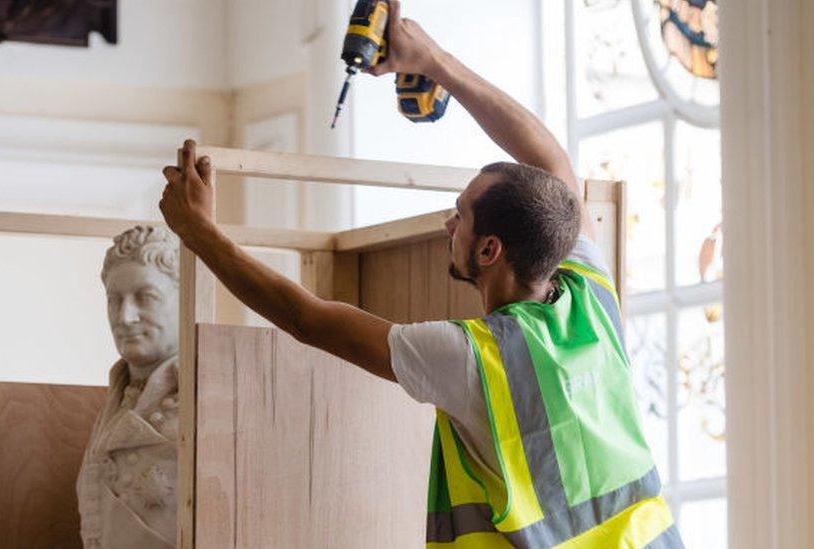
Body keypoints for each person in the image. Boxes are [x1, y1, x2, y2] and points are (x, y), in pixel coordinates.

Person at [159, 1, 683, 546]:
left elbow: (306, 318)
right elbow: (550, 162)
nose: (447, 223)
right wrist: (433, 61)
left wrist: (200, 233)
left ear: (489, 251)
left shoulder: (471, 358)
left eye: (461, 216)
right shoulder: (588, 294)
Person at [76, 226, 181, 548]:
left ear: (186, 299)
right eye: (114, 300)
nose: (125, 316)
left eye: (145, 298)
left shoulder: (209, 400)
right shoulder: (118, 401)